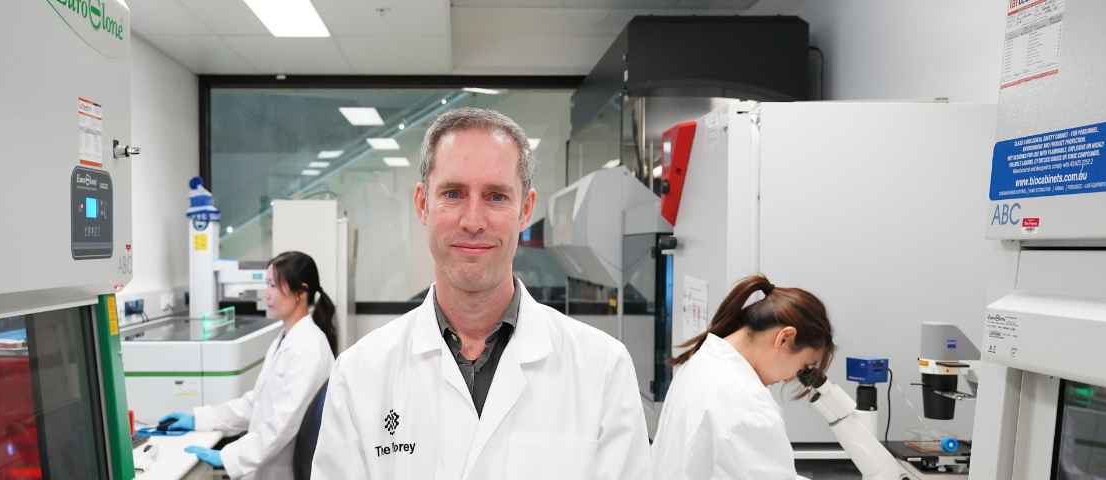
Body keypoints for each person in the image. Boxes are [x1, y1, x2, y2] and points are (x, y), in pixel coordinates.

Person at [310, 108, 652, 479]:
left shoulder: (602, 369)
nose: (473, 221)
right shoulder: (361, 373)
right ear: (423, 204)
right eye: (453, 193)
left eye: (496, 197)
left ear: (525, 209)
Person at [162, 251, 338, 479]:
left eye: (274, 286)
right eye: (267, 285)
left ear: (301, 292)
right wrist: (200, 419)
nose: (267, 294)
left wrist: (227, 458)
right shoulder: (286, 339)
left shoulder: (308, 348)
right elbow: (256, 404)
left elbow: (281, 425)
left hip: (283, 472)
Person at [650, 274, 835, 479]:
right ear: (785, 338)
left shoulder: (699, 364)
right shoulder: (746, 400)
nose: (788, 379)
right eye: (803, 367)